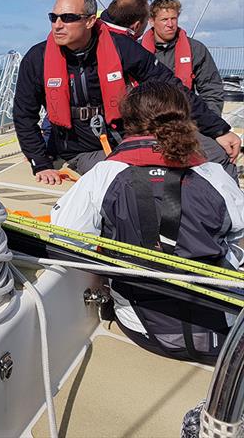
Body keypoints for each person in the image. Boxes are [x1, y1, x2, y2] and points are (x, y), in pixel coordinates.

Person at [51, 81, 244, 363]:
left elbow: (65, 237)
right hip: (219, 332)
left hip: (142, 328)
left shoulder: (104, 174)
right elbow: (238, 234)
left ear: (127, 123)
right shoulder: (213, 174)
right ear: (185, 119)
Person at [12, 0, 240, 184]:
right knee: (137, 178)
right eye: (54, 17)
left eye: (68, 18)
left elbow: (172, 88)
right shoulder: (37, 59)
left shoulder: (122, 48)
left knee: (217, 154)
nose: (58, 25)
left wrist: (218, 129)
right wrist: (40, 163)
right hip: (82, 150)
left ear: (91, 20)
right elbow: (24, 115)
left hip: (129, 137)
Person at [140, 0, 225, 115]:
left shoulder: (195, 49)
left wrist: (210, 120)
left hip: (185, 119)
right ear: (152, 21)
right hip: (147, 119)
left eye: (173, 19)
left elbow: (211, 88)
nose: (170, 24)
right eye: (164, 19)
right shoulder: (137, 50)